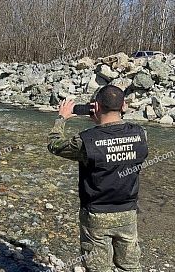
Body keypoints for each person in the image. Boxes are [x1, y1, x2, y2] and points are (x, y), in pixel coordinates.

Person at [47, 85, 148, 272]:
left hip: (96, 215)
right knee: (131, 267)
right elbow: (118, 135)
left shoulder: (86, 140)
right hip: (128, 212)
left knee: (98, 268)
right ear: (123, 106)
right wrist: (103, 119)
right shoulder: (140, 134)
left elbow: (55, 145)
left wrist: (61, 118)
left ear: (97, 106)